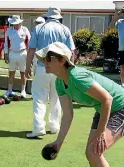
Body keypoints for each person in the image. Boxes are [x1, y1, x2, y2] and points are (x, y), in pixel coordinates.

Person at [36, 42, 124, 167]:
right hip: (103, 108)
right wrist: (58, 142)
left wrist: (100, 132)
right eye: (43, 59)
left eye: (48, 59)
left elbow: (107, 99)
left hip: (121, 107)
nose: (44, 62)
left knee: (94, 151)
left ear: (61, 60)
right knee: (91, 152)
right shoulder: (60, 83)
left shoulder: (78, 76)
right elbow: (67, 115)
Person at [24, 7, 76, 138]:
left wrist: (27, 67)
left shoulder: (39, 28)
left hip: (43, 67)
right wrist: (70, 69)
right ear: (59, 17)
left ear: (47, 17)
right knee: (57, 97)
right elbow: (72, 51)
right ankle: (54, 126)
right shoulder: (65, 29)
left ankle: (38, 128)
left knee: (39, 98)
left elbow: (31, 49)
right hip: (60, 70)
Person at [3, 15, 31, 98]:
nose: (15, 25)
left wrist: (29, 56)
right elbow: (6, 44)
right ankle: (9, 90)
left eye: (17, 23)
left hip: (23, 53)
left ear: (20, 22)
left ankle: (23, 91)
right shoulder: (9, 31)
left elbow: (30, 43)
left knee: (23, 73)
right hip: (12, 53)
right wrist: (6, 54)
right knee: (11, 73)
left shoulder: (25, 30)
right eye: (13, 23)